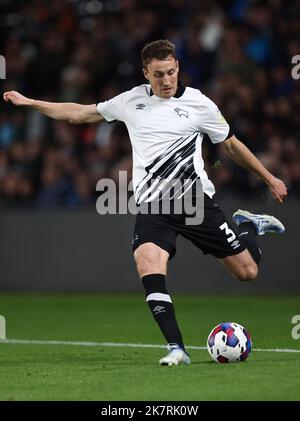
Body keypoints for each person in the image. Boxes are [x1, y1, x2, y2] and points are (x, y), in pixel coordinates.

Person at [3, 39, 287, 366]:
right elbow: (80, 114)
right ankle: (176, 348)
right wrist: (29, 102)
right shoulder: (131, 101)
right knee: (148, 264)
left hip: (195, 204)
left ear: (178, 67)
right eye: (157, 75)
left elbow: (232, 146)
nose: (166, 81)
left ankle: (249, 225)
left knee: (247, 272)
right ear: (145, 74)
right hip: (154, 208)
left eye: (170, 72)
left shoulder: (200, 105)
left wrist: (269, 178)